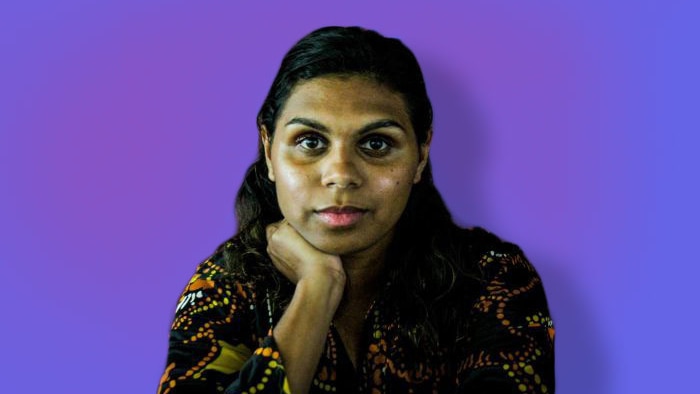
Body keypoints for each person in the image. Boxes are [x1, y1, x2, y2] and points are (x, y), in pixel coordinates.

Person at [158, 26, 555, 394]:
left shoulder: (491, 278)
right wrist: (316, 290)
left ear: (421, 154)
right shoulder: (225, 287)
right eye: (310, 142)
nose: (341, 175)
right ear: (268, 150)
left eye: (377, 144)